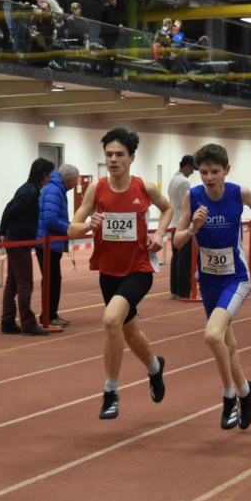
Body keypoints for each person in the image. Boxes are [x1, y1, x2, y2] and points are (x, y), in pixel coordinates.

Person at [172, 143, 251, 429]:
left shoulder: (238, 193)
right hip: (208, 280)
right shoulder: (193, 196)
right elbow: (177, 241)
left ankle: (228, 395)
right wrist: (194, 227)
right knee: (227, 343)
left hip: (235, 279)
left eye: (214, 171)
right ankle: (246, 392)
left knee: (213, 336)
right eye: (204, 172)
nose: (209, 178)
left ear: (226, 170)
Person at [67, 128, 172, 420]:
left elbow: (167, 209)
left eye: (119, 155)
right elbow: (71, 229)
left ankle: (110, 392)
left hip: (139, 270)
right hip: (108, 272)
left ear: (131, 158)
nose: (113, 160)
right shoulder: (96, 189)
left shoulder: (144, 187)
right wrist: (89, 224)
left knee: (111, 319)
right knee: (131, 333)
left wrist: (159, 234)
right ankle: (155, 367)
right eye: (109, 155)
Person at [0, 158, 54, 336]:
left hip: (17, 239)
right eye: (49, 174)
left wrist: (3, 231)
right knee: (25, 282)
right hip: (18, 241)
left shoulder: (29, 190)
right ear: (43, 174)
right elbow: (10, 211)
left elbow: (9, 209)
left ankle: (7, 320)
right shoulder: (28, 192)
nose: (51, 177)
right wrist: (2, 231)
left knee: (13, 281)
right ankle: (27, 323)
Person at [37, 163, 80, 327]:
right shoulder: (54, 191)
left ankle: (50, 315)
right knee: (51, 281)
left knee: (53, 280)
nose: (76, 184)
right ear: (69, 179)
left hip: (51, 242)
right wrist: (70, 229)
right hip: (47, 243)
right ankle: (48, 317)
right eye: (76, 180)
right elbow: (51, 220)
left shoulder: (56, 189)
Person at [168, 155, 196, 299]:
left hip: (174, 223)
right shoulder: (185, 182)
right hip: (183, 225)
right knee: (185, 259)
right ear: (186, 166)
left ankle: (174, 290)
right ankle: (183, 291)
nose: (192, 172)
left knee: (176, 258)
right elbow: (187, 205)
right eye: (192, 168)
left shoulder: (173, 180)